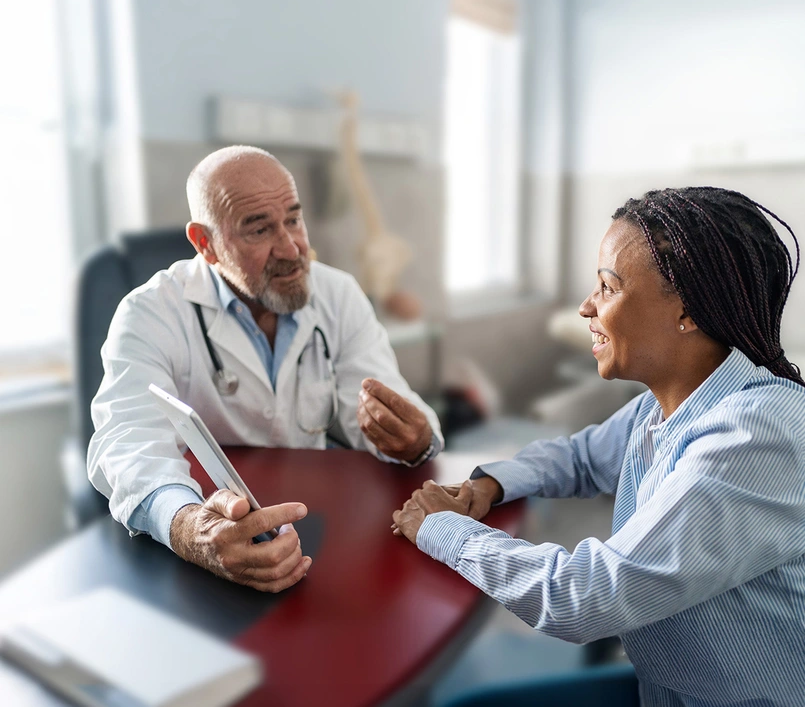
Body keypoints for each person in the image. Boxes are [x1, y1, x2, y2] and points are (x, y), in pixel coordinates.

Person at [393, 187, 805, 706]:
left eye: (608, 288)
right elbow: (583, 457)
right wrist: (489, 485)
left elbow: (583, 597)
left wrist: (441, 528)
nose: (586, 306)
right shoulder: (669, 403)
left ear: (688, 310)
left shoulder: (754, 438)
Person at [88, 145, 443, 593]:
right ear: (205, 244)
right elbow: (128, 443)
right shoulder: (150, 312)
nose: (292, 247)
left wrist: (415, 441)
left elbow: (384, 408)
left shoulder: (338, 295)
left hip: (318, 525)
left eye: (293, 219)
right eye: (259, 229)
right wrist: (190, 527)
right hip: (211, 529)